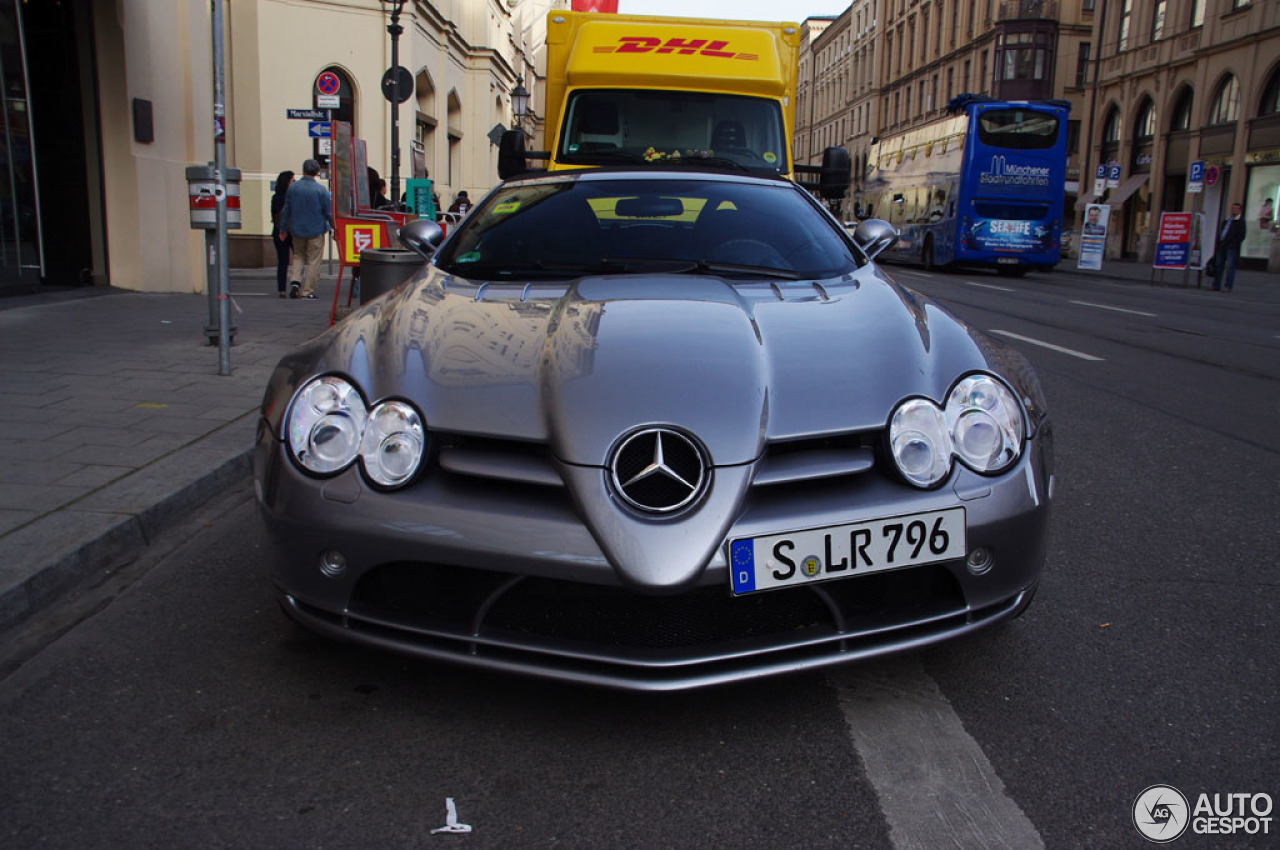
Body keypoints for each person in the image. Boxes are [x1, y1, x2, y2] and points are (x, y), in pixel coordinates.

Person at [279, 159, 334, 300]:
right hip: (316, 230)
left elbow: (286, 210)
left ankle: (295, 282)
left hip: (297, 229)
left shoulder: (293, 188)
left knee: (298, 256)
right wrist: (334, 226)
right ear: (316, 172)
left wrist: (283, 229)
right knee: (313, 261)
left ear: (303, 170)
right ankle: (307, 291)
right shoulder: (321, 190)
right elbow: (328, 212)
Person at [269, 170, 293, 299]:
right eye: (292, 181)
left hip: (277, 231)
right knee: (298, 259)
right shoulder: (291, 197)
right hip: (291, 231)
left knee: (282, 262)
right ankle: (296, 286)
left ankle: (282, 289)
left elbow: (274, 214)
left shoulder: (275, 197)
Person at [1213, 202, 1246, 292]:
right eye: (1232, 208)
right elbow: (1222, 230)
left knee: (1230, 266)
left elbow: (1241, 235)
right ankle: (1216, 285)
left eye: (1236, 209)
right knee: (1219, 265)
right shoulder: (1227, 219)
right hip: (1222, 245)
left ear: (1239, 210)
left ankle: (1228, 286)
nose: (1233, 210)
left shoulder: (1240, 221)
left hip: (1231, 247)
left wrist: (1233, 244)